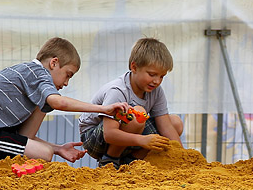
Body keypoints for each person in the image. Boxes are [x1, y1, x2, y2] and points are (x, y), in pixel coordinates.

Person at [0, 37, 129, 170]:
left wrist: (58, 148)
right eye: (68, 74)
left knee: (44, 141)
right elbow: (60, 103)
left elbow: (25, 138)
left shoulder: (32, 81)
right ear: (54, 63)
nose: (66, 83)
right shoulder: (38, 73)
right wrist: (104, 109)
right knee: (44, 154)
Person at [79, 37, 184, 168]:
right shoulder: (118, 91)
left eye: (161, 76)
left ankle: (131, 161)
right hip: (95, 139)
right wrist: (143, 140)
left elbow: (166, 126)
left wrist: (182, 155)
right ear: (134, 67)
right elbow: (109, 134)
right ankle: (110, 160)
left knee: (175, 123)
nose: (157, 81)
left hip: (128, 135)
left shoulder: (156, 91)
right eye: (152, 74)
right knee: (137, 114)